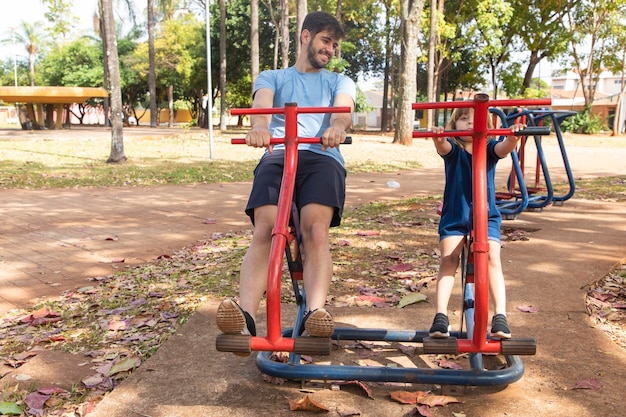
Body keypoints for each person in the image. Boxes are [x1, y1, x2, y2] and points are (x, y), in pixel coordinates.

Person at [216, 11, 356, 339]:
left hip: (322, 157)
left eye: (334, 45)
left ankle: (315, 313)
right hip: (279, 155)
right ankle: (245, 317)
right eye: (325, 41)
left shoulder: (339, 81)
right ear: (306, 36)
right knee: (266, 228)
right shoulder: (273, 77)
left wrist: (336, 127)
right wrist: (260, 129)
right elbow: (262, 109)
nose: (330, 50)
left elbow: (343, 111)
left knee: (315, 231)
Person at [428, 107, 525, 339]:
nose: (470, 123)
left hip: (486, 217)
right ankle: (441, 316)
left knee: (492, 258)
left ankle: (500, 316)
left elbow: (505, 148)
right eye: (464, 119)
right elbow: (443, 147)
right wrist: (437, 136)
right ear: (454, 127)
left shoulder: (489, 148)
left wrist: (513, 137)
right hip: (455, 217)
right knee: (449, 259)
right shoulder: (454, 150)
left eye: (475, 120)